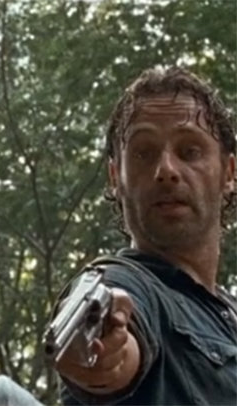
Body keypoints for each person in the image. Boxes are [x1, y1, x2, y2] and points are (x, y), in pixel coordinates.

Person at [52, 66, 237, 405]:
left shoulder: (228, 313)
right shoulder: (123, 283)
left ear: (229, 172)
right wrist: (102, 354)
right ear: (115, 177)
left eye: (190, 151)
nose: (166, 170)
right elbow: (111, 338)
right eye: (143, 153)